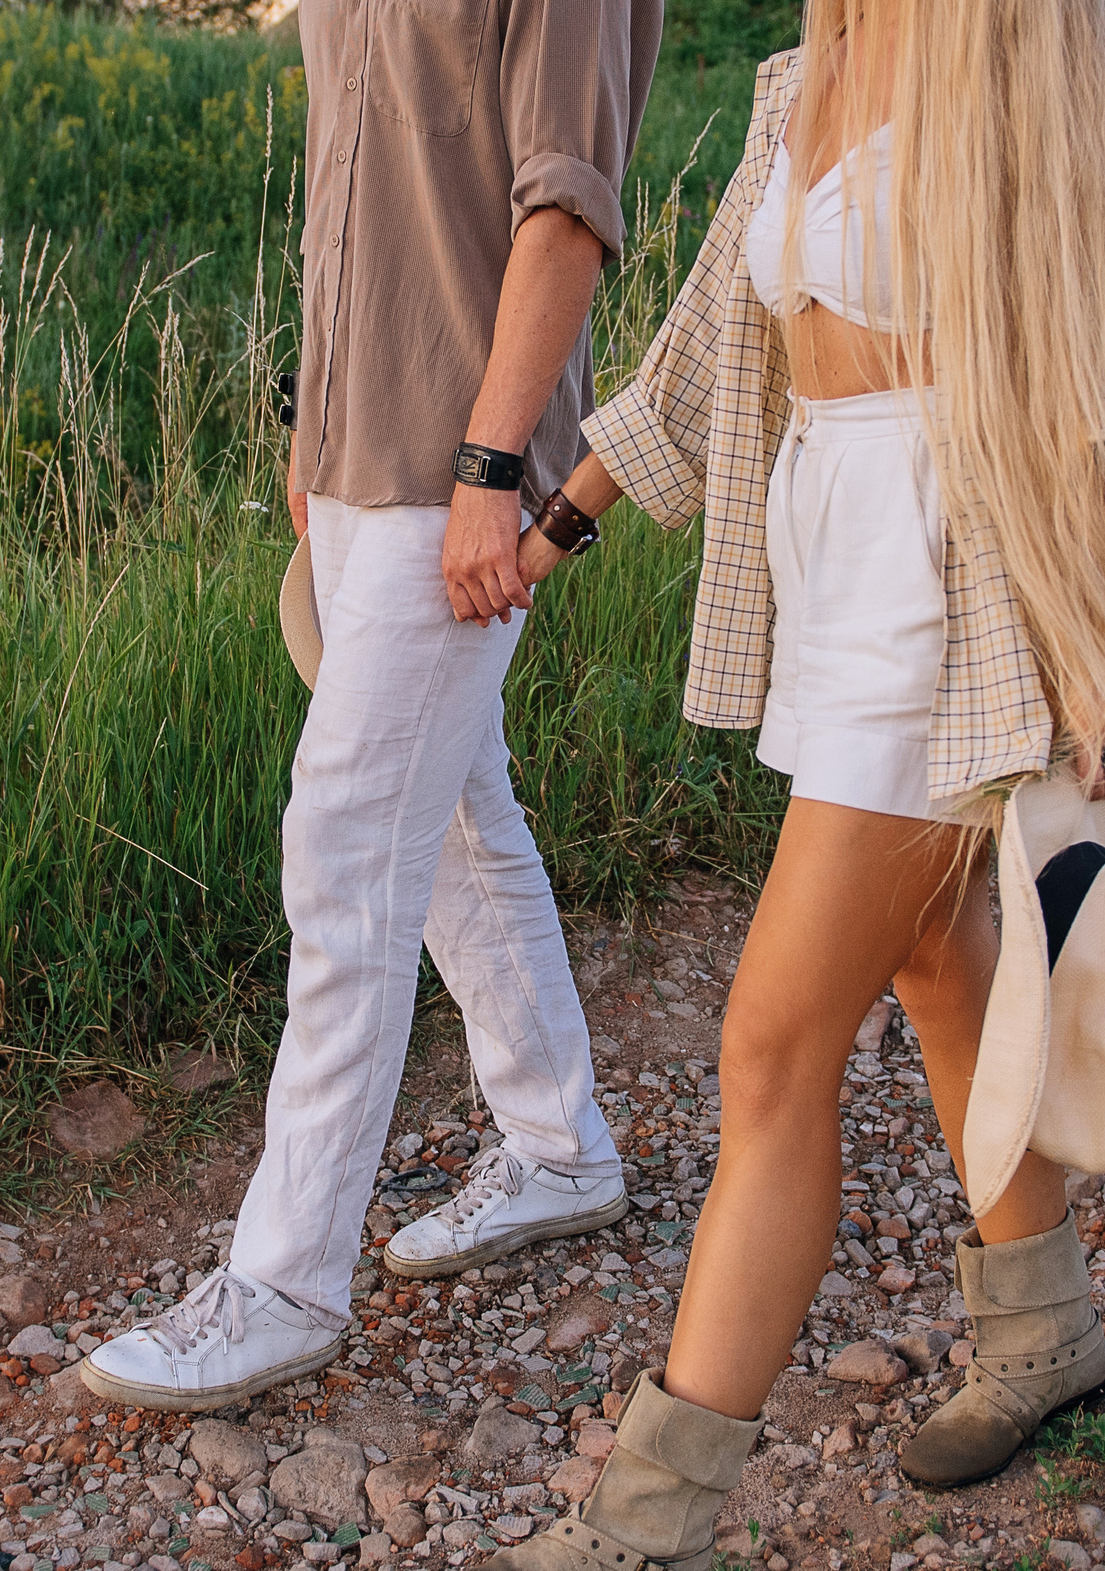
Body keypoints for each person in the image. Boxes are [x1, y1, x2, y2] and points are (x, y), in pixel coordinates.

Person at [437, 0, 1105, 1571]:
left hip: (958, 579)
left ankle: (640, 1534)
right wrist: (540, 537)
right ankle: (1044, 1330)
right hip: (832, 561)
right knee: (937, 958)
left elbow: (1104, 349)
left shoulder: (1029, 44)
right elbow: (703, 351)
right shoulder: (809, 64)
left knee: (773, 1044)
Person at [78, 0, 666, 1414]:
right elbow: (353, 182)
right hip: (358, 444)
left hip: (453, 460)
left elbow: (566, 212)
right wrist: (311, 418)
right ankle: (558, 1142)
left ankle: (285, 1279)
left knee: (346, 848)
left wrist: (490, 464)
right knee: (459, 808)